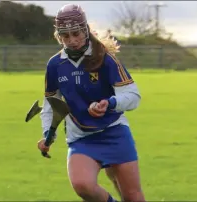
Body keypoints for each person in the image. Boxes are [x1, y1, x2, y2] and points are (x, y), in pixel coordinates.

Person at [38, 4, 144, 202]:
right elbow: (51, 103)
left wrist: (110, 103)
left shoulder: (105, 58)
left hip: (114, 132)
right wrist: (47, 135)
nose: (72, 41)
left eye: (76, 33)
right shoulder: (55, 65)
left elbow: (133, 96)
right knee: (82, 185)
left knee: (132, 197)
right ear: (58, 36)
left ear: (85, 30)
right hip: (81, 137)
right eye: (65, 36)